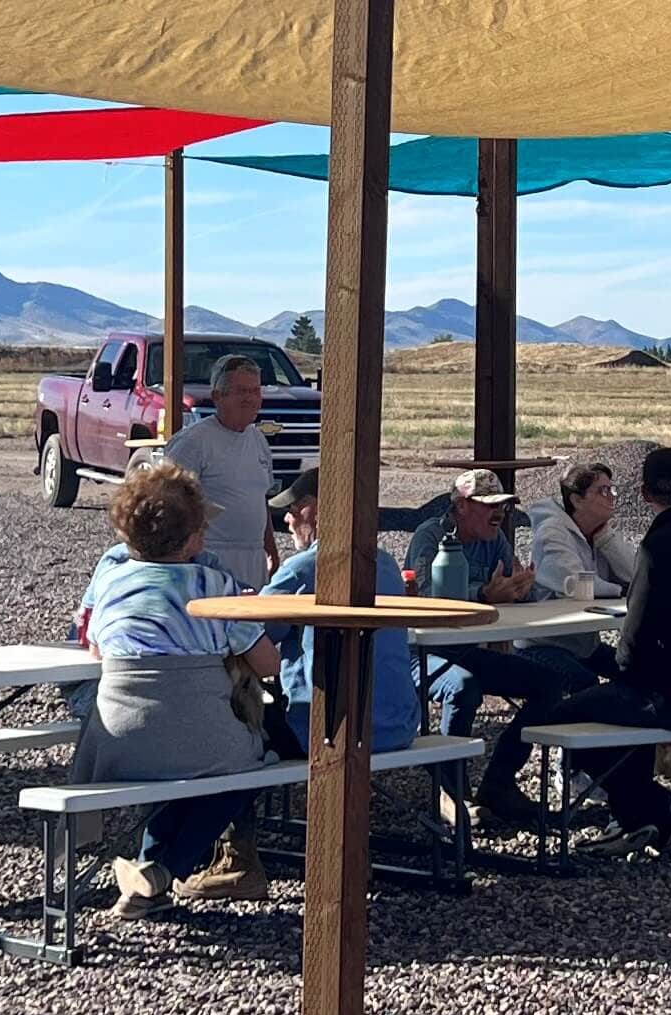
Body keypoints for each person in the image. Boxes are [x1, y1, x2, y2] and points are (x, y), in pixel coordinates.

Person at [66, 463, 279, 910]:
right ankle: (167, 868)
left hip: (116, 741)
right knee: (242, 771)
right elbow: (268, 663)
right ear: (194, 538)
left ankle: (148, 884)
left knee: (187, 762)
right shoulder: (213, 587)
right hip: (201, 738)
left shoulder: (108, 582)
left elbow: (96, 651)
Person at [542, 443, 671, 847]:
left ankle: (656, 809)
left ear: (644, 494)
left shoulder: (657, 547)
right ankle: (636, 817)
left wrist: (630, 673)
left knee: (560, 715)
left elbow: (632, 642)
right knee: (623, 706)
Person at [406, 465, 589, 827]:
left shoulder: (495, 541)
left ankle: (499, 783)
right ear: (461, 505)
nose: (499, 513)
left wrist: (523, 589)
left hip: (466, 650)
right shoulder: (430, 537)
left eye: (503, 506)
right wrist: (484, 594)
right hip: (422, 653)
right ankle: (449, 793)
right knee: (463, 687)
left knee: (549, 683)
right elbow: (427, 598)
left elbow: (510, 587)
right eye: (490, 505)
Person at [263, 467, 416, 766]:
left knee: (229, 722)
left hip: (323, 733)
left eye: (293, 510)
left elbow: (255, 635)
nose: (287, 520)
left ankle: (233, 812)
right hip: (399, 728)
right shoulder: (385, 565)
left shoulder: (301, 568)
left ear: (316, 510)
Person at [158, 351, 278, 587]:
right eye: (241, 392)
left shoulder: (258, 441)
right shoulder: (193, 442)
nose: (250, 399)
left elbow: (259, 499)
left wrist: (271, 549)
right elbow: (169, 502)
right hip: (208, 559)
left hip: (253, 559)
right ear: (217, 396)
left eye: (255, 391)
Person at [530, 458, 640, 602]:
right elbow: (577, 583)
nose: (613, 497)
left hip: (589, 618)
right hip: (553, 619)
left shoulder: (599, 532)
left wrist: (606, 540)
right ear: (577, 500)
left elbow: (637, 575)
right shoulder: (551, 533)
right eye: (604, 491)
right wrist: (623, 591)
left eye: (612, 490)